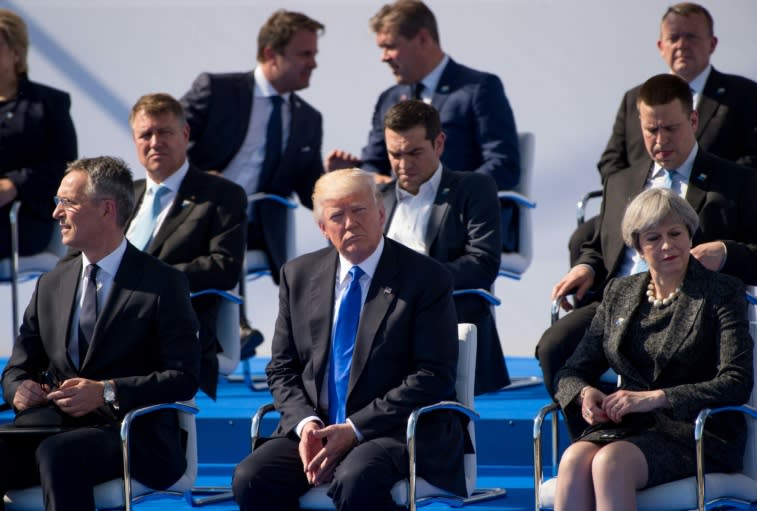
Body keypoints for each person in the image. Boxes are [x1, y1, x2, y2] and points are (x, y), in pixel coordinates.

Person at [537, 74, 757, 433]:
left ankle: (663, 440)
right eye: (650, 130)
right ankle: (596, 433)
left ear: (693, 121)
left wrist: (725, 251)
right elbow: (601, 245)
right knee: (555, 347)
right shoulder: (622, 181)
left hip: (693, 309)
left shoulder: (737, 181)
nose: (659, 141)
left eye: (670, 129)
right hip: (623, 303)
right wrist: (586, 265)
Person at [231, 168, 467, 510]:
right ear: (323, 228)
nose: (350, 223)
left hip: (392, 430)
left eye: (360, 210)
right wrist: (305, 425)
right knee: (251, 477)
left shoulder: (426, 278)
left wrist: (354, 429)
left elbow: (434, 375)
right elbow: (282, 368)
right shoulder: (298, 275)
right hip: (319, 426)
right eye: (337, 216)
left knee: (357, 479)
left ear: (381, 213)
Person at [0, 156, 200, 510]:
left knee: (59, 454)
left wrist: (107, 392)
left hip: (135, 434)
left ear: (107, 209)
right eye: (56, 202)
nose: (56, 214)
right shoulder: (52, 283)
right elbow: (17, 368)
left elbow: (183, 378)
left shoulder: (163, 282)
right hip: (52, 425)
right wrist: (19, 390)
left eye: (68, 203)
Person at [553, 188, 753, 510]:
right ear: (638, 248)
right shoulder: (620, 291)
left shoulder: (722, 292)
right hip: (630, 428)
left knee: (610, 463)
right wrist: (583, 393)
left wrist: (656, 398)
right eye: (653, 238)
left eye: (675, 233)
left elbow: (737, 380)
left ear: (690, 234)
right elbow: (571, 370)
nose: (667, 245)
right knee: (574, 458)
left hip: (698, 431)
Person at [570, 2, 757, 265]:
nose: (682, 45)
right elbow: (611, 162)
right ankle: (601, 301)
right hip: (641, 203)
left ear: (712, 43)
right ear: (661, 47)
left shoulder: (743, 94)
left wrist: (699, 184)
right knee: (583, 240)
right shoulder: (635, 99)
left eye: (691, 37)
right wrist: (648, 191)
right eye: (674, 38)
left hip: (710, 205)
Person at [180, 9, 325, 351]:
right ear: (271, 54)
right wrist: (198, 178)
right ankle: (230, 331)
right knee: (222, 221)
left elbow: (311, 190)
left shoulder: (308, 118)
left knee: (234, 226)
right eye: (305, 54)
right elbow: (166, 137)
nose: (314, 63)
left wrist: (336, 180)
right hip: (198, 214)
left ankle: (231, 334)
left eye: (314, 55)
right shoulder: (217, 90)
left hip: (260, 225)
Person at [379, 100, 507, 394]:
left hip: (440, 319)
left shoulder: (473, 188)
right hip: (380, 327)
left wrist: (412, 281)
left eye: (414, 152)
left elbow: (482, 264)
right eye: (394, 154)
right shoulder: (377, 197)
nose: (403, 164)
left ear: (439, 143)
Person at [326, 0, 520, 191]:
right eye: (381, 48)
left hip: (458, 216)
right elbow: (374, 164)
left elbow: (503, 165)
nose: (383, 57)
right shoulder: (389, 100)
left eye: (391, 46)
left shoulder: (478, 89)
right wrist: (359, 175)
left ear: (423, 39)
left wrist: (449, 194)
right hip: (400, 217)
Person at [127, 93, 247, 400]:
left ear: (185, 134)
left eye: (164, 132)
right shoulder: (122, 196)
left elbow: (224, 267)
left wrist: (145, 279)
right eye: (145, 134)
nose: (155, 142)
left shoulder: (221, 195)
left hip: (173, 325)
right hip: (107, 323)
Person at [0, 9, 77, 262]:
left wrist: (14, 185)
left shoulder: (49, 104)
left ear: (16, 53)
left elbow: (65, 166)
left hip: (23, 216)